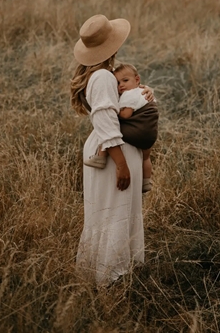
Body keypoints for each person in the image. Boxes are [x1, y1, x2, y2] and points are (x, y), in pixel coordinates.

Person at [70, 14, 153, 286]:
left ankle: (99, 272)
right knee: (115, 211)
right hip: (113, 149)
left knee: (104, 212)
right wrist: (121, 164)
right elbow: (105, 120)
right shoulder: (104, 76)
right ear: (112, 46)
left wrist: (144, 91)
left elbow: (118, 106)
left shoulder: (96, 75)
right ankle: (111, 278)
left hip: (105, 145)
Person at [84, 63, 158, 193]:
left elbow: (126, 114)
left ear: (137, 79)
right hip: (149, 134)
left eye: (125, 81)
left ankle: (100, 157)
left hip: (136, 131)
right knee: (146, 157)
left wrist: (112, 110)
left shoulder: (129, 95)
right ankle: (146, 181)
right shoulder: (141, 91)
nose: (121, 85)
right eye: (118, 83)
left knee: (110, 128)